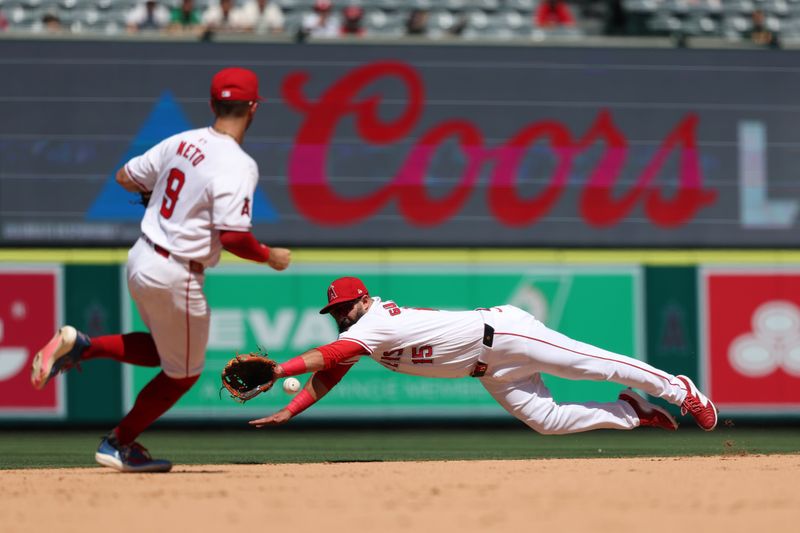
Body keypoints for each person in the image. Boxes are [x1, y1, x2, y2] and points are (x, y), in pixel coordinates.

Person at [31, 67, 292, 473]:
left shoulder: (181, 142)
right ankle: (119, 443)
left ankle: (84, 345)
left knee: (165, 353)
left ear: (211, 104)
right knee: (184, 374)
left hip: (142, 256)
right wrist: (270, 255)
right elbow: (235, 237)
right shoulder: (238, 165)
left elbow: (124, 177)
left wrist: (171, 193)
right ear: (254, 108)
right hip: (178, 273)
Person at [248, 277, 718, 434]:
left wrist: (280, 369)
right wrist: (289, 409)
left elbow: (329, 355)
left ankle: (681, 389)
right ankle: (631, 410)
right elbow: (330, 374)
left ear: (363, 299)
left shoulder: (374, 323)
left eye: (343, 306)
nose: (339, 314)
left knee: (596, 364)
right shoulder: (363, 332)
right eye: (334, 310)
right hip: (488, 368)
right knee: (547, 421)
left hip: (507, 335)